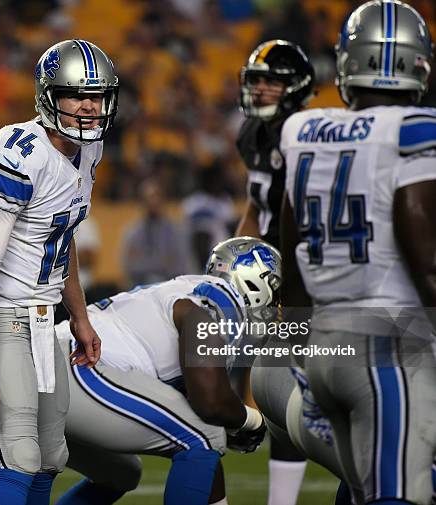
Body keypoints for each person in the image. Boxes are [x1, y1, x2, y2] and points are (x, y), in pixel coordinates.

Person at [279, 2, 436, 504]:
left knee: (366, 490)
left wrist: (300, 348)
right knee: (397, 494)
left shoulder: (301, 130)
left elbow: (290, 247)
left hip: (325, 344)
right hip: (390, 345)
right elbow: (423, 252)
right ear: (417, 63)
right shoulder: (413, 129)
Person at [0, 39, 118, 505]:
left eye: (96, 95)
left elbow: (60, 236)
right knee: (18, 455)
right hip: (1, 317)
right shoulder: (16, 154)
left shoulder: (89, 150)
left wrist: (81, 319)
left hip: (45, 320)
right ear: (49, 96)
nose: (89, 106)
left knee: (50, 455)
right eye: (75, 94)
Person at [56, 237, 278, 505]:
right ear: (255, 284)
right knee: (204, 437)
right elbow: (210, 403)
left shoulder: (183, 287)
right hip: (82, 364)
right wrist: (250, 420)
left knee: (122, 473)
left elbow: (200, 421)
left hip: (52, 359)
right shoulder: (222, 300)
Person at [235, 39, 315, 505]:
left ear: (295, 88)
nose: (262, 89)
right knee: (278, 386)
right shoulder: (252, 133)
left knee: (298, 387)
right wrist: (235, 254)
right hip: (269, 274)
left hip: (303, 278)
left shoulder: (304, 135)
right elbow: (256, 201)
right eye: (257, 80)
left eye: (272, 81)